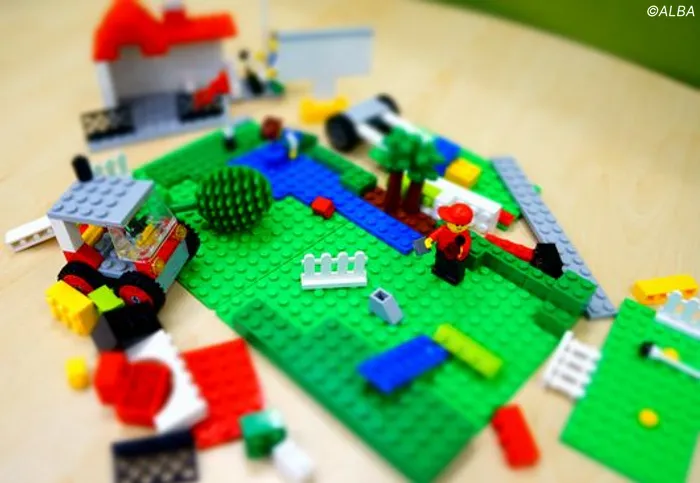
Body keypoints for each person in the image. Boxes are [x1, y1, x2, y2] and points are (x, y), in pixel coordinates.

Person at [424, 203, 474, 285]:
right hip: (442, 250)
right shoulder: (443, 229)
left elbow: (466, 244)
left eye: (462, 225)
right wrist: (429, 240)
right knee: (440, 261)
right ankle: (439, 270)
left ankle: (453, 277)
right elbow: (436, 234)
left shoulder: (464, 235)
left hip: (455, 256)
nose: (459, 227)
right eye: (456, 224)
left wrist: (461, 251)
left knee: (454, 267)